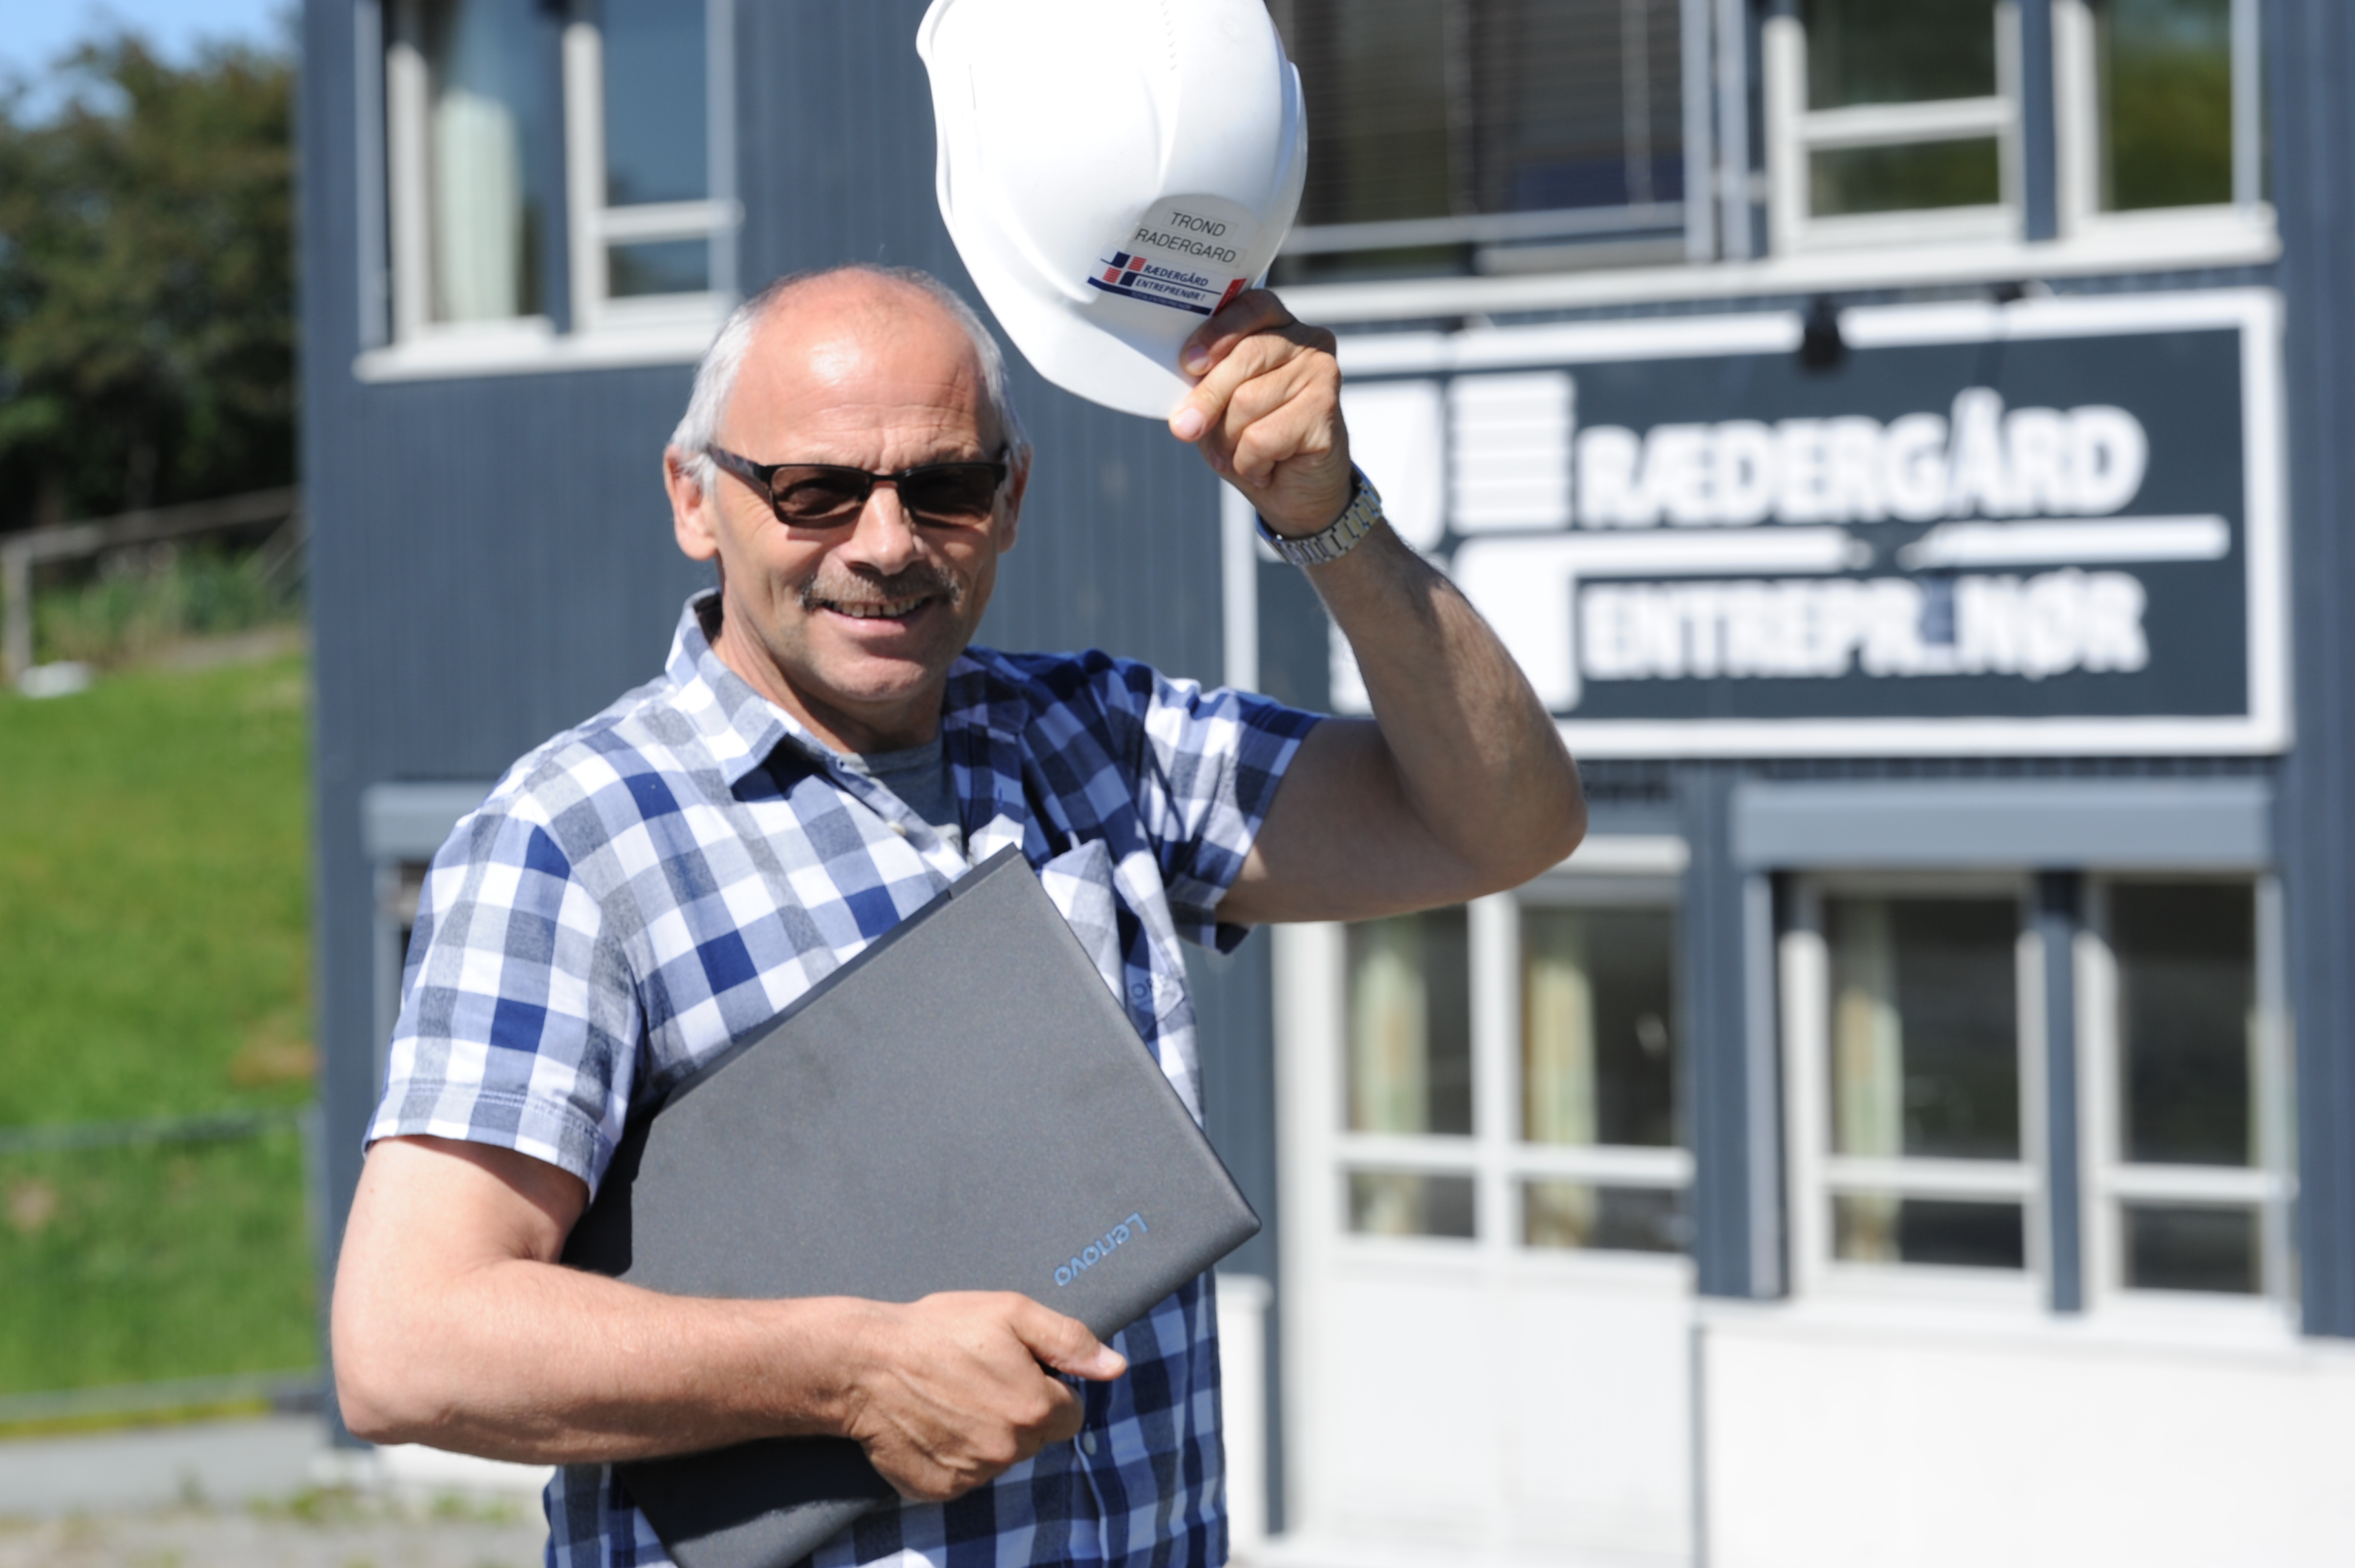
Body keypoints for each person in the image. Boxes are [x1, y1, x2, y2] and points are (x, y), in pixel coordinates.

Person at [331, 263, 1585, 1568]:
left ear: (1012, 498)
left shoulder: (1099, 742)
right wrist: (849, 1375)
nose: (886, 544)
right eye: (815, 491)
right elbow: (407, 1343)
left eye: (943, 489)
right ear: (694, 499)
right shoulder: (573, 839)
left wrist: (1327, 517)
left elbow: (1505, 823)